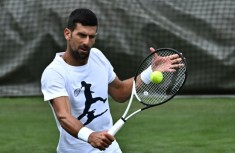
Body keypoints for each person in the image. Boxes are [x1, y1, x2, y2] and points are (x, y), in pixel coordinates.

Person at [41, 8, 183, 153]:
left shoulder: (97, 56)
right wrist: (90, 136)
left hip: (110, 148)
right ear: (67, 34)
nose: (86, 42)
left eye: (91, 37)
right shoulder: (54, 73)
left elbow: (120, 92)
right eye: (81, 35)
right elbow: (64, 116)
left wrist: (150, 71)